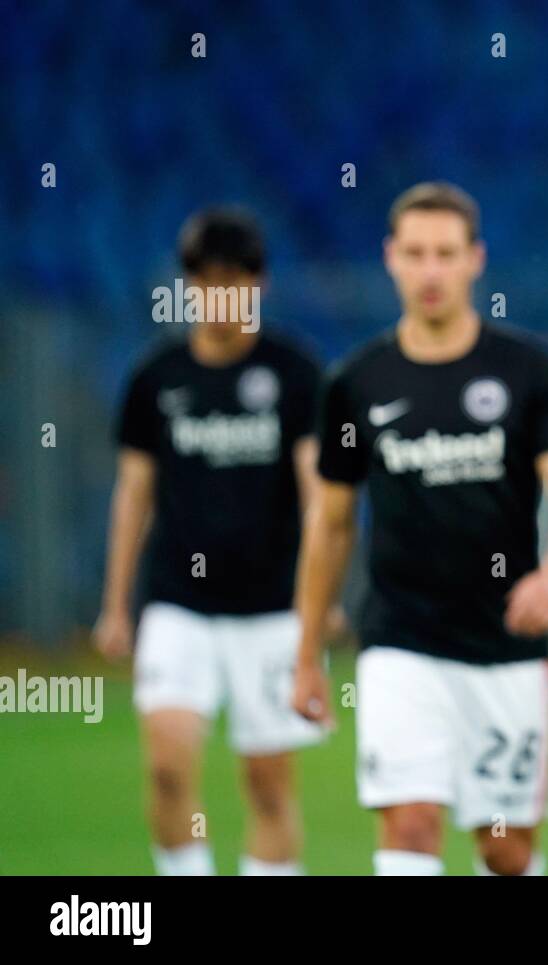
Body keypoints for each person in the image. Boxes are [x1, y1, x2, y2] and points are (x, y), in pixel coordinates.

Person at [292, 182, 548, 876]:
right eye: (416, 253)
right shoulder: (356, 383)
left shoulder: (528, 371)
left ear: (474, 260)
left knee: (504, 846)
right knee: (410, 822)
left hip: (506, 645)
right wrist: (307, 647)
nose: (430, 269)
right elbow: (332, 523)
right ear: (390, 259)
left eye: (445, 253)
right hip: (400, 640)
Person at [94, 207, 325, 875]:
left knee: (268, 782)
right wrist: (116, 606)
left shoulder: (294, 374)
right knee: (167, 765)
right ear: (189, 284)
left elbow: (320, 501)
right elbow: (132, 495)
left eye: (237, 278)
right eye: (208, 278)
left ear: (259, 284)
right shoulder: (157, 380)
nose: (222, 293)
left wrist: (320, 598)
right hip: (178, 603)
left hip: (273, 607)